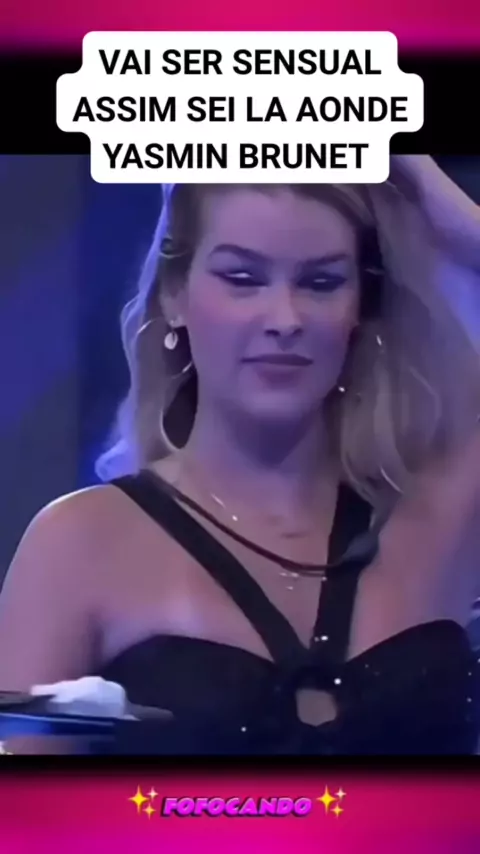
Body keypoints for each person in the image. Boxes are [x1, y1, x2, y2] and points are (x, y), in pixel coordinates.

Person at [1, 157, 480, 754]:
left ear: (361, 308)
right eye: (243, 278)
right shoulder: (79, 543)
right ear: (174, 295)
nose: (285, 319)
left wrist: (427, 185)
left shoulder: (432, 519)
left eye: (321, 283)